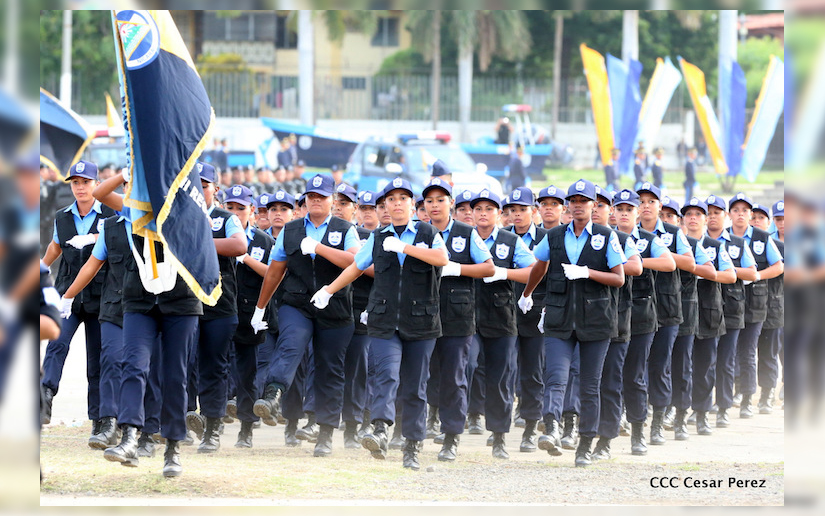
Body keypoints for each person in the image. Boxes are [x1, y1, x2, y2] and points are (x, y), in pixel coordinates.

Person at [309, 177, 448, 470]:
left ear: (413, 205)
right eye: (391, 199)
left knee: (415, 386)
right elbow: (356, 267)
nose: (397, 204)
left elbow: (441, 259)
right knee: (386, 375)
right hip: (385, 319)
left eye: (403, 199)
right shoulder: (377, 236)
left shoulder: (427, 233)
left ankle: (411, 445)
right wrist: (329, 290)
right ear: (385, 205)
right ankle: (381, 429)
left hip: (421, 322)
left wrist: (405, 248)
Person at [251, 174, 360, 457]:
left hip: (334, 307)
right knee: (291, 342)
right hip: (296, 303)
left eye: (322, 197)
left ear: (332, 201)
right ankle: (273, 394)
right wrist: (260, 307)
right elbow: (275, 270)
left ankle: (324, 432)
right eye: (311, 196)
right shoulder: (291, 230)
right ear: (304, 200)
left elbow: (354, 261)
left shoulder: (345, 228)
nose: (316, 200)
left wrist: (319, 248)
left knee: (329, 369)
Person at [521, 178, 626, 467]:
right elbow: (539, 265)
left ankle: (585, 444)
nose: (578, 206)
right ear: (569, 205)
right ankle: (552, 427)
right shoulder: (554, 236)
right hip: (559, 315)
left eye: (584, 201)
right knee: (555, 376)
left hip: (596, 319)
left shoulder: (606, 236)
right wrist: (527, 293)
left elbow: (619, 278)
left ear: (594, 205)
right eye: (574, 201)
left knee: (590, 386)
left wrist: (587, 272)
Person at [40, 161, 114, 437]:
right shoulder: (63, 216)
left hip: (101, 295)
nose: (80, 187)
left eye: (85, 182)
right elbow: (55, 247)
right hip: (66, 293)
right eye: (75, 182)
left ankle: (98, 421)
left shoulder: (110, 212)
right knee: (56, 344)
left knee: (96, 359)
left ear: (96, 183)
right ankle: (45, 397)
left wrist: (94, 235)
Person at [423, 178, 495, 461]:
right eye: (429, 201)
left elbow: (488, 268)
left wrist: (458, 269)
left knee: (455, 376)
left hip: (457, 315)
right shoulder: (419, 232)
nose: (435, 206)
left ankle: (451, 436)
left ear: (451, 204)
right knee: (420, 374)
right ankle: (412, 430)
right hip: (421, 314)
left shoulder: (466, 233)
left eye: (441, 200)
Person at [185, 167, 248, 455]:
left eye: (205, 185)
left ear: (215, 190)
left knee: (214, 366)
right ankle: (180, 422)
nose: (199, 188)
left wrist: (198, 244)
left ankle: (211, 428)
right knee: (182, 365)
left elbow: (238, 244)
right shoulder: (176, 216)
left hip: (219, 306)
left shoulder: (226, 219)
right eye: (194, 184)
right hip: (183, 302)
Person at [637, 182, 696, 447]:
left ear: (660, 206)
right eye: (642, 201)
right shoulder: (627, 234)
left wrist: (656, 253)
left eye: (652, 201)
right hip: (637, 307)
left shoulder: (672, 233)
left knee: (661, 365)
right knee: (636, 365)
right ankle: (635, 417)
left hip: (668, 308)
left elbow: (689, 262)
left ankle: (658, 423)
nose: (646, 206)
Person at [590, 188, 644, 460]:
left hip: (615, 319)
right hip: (581, 320)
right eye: (592, 204)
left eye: (602, 205)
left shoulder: (619, 238)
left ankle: (606, 440)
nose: (596, 209)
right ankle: (579, 433)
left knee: (611, 381)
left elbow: (636, 267)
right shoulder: (571, 238)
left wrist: (605, 265)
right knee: (586, 382)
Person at [223, 184, 275, 449]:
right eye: (230, 207)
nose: (235, 212)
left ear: (252, 211)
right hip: (219, 309)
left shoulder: (264, 241)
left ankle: (246, 427)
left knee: (247, 373)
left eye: (240, 208)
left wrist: (246, 259)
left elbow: (275, 274)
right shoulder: (216, 233)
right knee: (214, 366)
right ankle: (211, 419)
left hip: (249, 313)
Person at [680, 198, 736, 440]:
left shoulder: (714, 246)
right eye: (688, 214)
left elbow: (730, 275)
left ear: (705, 219)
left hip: (709, 310)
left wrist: (706, 273)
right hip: (682, 310)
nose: (693, 218)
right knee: (681, 366)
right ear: (683, 219)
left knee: (705, 366)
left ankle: (702, 413)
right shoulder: (676, 243)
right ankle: (680, 413)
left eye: (698, 214)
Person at [704, 194, 758, 431]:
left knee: (726, 360)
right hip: (704, 307)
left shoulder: (737, 243)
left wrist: (725, 269)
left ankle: (724, 406)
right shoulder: (697, 243)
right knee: (705, 360)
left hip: (731, 308)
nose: (712, 217)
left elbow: (752, 273)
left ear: (725, 216)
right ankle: (702, 407)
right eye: (709, 213)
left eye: (717, 213)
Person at [727, 193, 784, 418]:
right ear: (729, 214)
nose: (742, 214)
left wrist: (756, 276)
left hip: (764, 303)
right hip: (729, 301)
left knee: (761, 352)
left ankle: (763, 395)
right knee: (734, 350)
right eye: (736, 210)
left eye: (746, 211)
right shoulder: (723, 237)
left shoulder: (763, 239)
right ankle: (739, 391)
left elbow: (779, 266)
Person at [502, 187, 549, 454]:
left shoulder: (546, 237)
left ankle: (531, 428)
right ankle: (501, 428)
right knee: (505, 370)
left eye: (522, 209)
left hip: (536, 312)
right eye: (513, 210)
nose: (517, 214)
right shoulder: (503, 238)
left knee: (532, 372)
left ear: (533, 211)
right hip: (505, 311)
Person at [754, 202, 784, 414]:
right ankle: (743, 391)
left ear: (767, 222)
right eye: (753, 217)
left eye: (760, 218)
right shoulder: (742, 244)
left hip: (775, 304)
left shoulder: (777, 248)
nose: (756, 222)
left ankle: (767, 394)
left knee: (769, 352)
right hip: (748, 305)